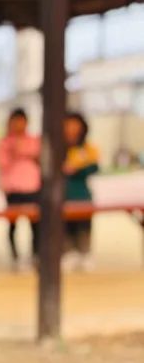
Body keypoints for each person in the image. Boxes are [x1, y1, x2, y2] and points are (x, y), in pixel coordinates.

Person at [0, 108, 41, 267]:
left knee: (35, 224)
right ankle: (15, 257)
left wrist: (26, 153)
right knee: (13, 224)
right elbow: (2, 163)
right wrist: (14, 151)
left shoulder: (34, 140)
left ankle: (36, 255)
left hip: (32, 188)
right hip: (13, 190)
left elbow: (39, 157)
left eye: (22, 120)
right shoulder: (4, 143)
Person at [63, 112, 99, 271]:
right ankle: (68, 252)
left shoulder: (87, 148)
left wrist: (77, 169)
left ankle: (85, 253)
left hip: (82, 193)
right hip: (64, 194)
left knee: (84, 225)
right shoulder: (60, 148)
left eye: (75, 125)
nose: (72, 128)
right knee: (66, 225)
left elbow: (94, 166)